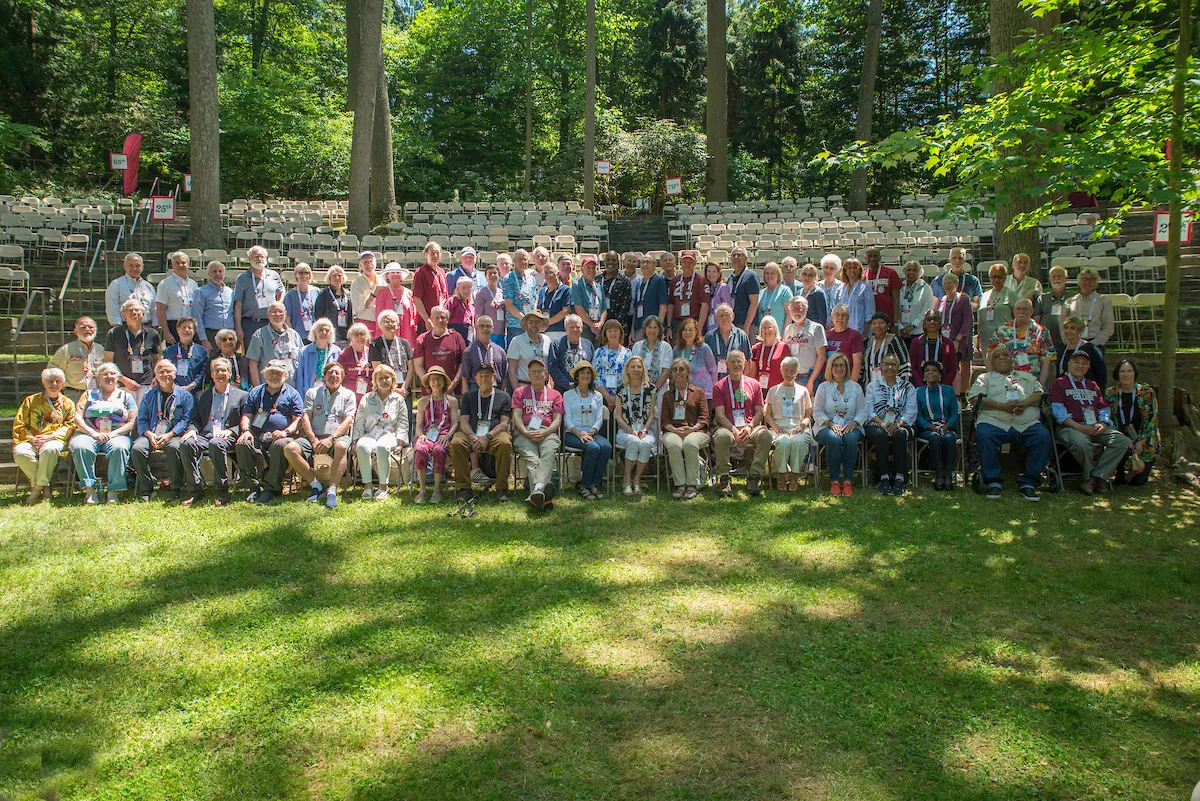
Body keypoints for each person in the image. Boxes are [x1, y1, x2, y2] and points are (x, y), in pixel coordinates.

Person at [968, 344, 1051, 502]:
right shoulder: (984, 378)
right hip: (994, 420)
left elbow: (1039, 394)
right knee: (984, 434)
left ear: (1011, 359)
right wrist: (1001, 407)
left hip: (1025, 421)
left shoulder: (1026, 376)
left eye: (1005, 355)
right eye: (997, 356)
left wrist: (1024, 403)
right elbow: (974, 399)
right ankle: (993, 480)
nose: (1002, 358)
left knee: (1043, 436)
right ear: (991, 363)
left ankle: (1029, 482)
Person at [1050, 350, 1130, 495]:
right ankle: (1091, 478)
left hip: (1095, 426)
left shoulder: (1092, 385)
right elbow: (1058, 412)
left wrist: (1103, 423)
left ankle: (1097, 477)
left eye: (1084, 363)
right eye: (1076, 362)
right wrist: (1079, 427)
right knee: (1081, 444)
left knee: (1121, 440)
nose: (1080, 366)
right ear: (1069, 363)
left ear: (1088, 367)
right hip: (1070, 426)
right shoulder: (1058, 383)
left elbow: (1103, 407)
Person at [285, 361, 356, 508]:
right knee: (290, 448)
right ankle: (316, 485)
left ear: (342, 377)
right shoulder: (312, 393)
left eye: (337, 373)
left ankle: (332, 490)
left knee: (342, 446)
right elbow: (305, 417)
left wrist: (331, 439)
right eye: (330, 373)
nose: (334, 376)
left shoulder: (348, 395)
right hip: (315, 436)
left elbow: (348, 420)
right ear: (324, 376)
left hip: (337, 437)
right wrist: (313, 440)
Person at [178, 356, 247, 506]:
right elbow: (195, 420)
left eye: (223, 370)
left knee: (216, 443)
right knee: (186, 443)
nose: (220, 373)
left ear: (229, 373)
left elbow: (245, 420)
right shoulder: (201, 395)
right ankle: (195, 490)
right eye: (217, 371)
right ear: (211, 374)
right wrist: (192, 430)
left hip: (227, 435)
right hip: (205, 434)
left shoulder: (242, 396)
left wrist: (231, 431)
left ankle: (222, 490)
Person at [236, 359, 304, 504]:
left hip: (283, 436)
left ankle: (271, 489)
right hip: (258, 435)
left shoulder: (293, 394)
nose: (274, 376)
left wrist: (285, 432)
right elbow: (247, 415)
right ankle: (253, 487)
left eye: (278, 373)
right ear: (264, 374)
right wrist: (246, 431)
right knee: (242, 443)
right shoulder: (255, 392)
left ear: (285, 375)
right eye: (271, 372)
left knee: (280, 446)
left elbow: (298, 420)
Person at [70, 362, 138, 504]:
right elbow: (77, 417)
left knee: (120, 448)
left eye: (113, 373)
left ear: (118, 377)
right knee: (80, 446)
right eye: (105, 374)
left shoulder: (126, 396)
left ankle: (114, 490)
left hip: (117, 435)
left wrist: (113, 434)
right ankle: (90, 489)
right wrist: (91, 432)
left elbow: (132, 422)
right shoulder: (88, 394)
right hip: (89, 434)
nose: (109, 377)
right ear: (98, 377)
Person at [130, 360, 195, 501]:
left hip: (174, 435)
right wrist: (149, 434)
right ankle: (146, 488)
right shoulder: (149, 395)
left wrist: (169, 435)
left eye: (168, 371)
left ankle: (175, 487)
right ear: (156, 375)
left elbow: (185, 420)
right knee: (137, 449)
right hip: (151, 434)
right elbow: (141, 419)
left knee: (174, 448)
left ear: (175, 373)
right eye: (161, 372)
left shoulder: (185, 396)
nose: (165, 374)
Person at [711, 349, 772, 497]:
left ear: (744, 363)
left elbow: (759, 412)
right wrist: (733, 430)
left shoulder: (755, 384)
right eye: (732, 361)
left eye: (739, 361)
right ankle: (724, 478)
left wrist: (750, 427)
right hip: (728, 427)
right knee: (721, 437)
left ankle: (754, 476)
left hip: (750, 427)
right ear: (726, 364)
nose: (736, 364)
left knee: (766, 436)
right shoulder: (719, 386)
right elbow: (719, 415)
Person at [450, 362, 513, 501]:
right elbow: (464, 421)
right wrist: (472, 436)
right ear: (476, 378)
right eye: (481, 376)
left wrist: (488, 436)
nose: (484, 379)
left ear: (494, 377)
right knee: (456, 443)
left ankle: (501, 488)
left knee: (504, 443)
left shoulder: (504, 397)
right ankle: (464, 488)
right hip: (472, 434)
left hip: (494, 435)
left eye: (487, 376)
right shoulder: (468, 396)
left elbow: (504, 423)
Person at [13, 367, 75, 504]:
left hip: (55, 439)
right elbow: (20, 423)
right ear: (43, 383)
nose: (54, 384)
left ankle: (36, 490)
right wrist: (31, 439)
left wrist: (51, 437)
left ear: (63, 383)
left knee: (50, 449)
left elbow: (71, 425)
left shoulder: (68, 404)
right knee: (20, 453)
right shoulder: (30, 401)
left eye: (57, 381)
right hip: (31, 439)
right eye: (50, 381)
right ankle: (44, 484)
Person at [511, 358, 564, 510]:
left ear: (546, 374)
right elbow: (516, 417)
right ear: (528, 374)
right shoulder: (520, 392)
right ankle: (542, 491)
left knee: (547, 453)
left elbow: (557, 420)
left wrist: (546, 432)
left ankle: (536, 492)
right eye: (533, 372)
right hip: (525, 431)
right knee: (532, 458)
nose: (536, 374)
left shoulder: (555, 394)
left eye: (539, 371)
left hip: (548, 432)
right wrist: (526, 433)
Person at [813, 352, 868, 496]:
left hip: (852, 426)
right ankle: (835, 481)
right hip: (826, 426)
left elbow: (863, 410)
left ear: (847, 367)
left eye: (842, 365)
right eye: (835, 366)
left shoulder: (856, 388)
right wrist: (831, 424)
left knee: (850, 438)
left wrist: (855, 423)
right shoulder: (823, 387)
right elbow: (817, 410)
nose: (839, 368)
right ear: (830, 368)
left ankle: (848, 481)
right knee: (834, 438)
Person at [352, 364, 409, 500]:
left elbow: (403, 423)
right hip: (370, 433)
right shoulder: (367, 398)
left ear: (392, 380)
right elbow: (359, 421)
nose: (384, 381)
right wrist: (356, 440)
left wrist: (401, 443)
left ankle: (383, 487)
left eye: (387, 377)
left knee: (382, 447)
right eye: (380, 378)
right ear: (375, 381)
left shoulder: (398, 399)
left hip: (389, 434)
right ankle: (368, 486)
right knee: (362, 446)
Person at [865, 353, 918, 495]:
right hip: (877, 425)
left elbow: (911, 411)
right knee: (881, 434)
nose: (890, 367)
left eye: (893, 364)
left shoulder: (908, 387)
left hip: (902, 425)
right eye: (887, 364)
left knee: (900, 434)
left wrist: (898, 424)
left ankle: (900, 478)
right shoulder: (872, 386)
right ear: (881, 366)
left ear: (898, 367)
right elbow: (869, 410)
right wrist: (882, 423)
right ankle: (883, 478)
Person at [660, 358, 710, 500]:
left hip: (697, 431)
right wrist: (675, 431)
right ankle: (680, 484)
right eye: (674, 370)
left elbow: (704, 418)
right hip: (673, 430)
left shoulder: (698, 392)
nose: (678, 372)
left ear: (688, 372)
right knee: (674, 444)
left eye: (681, 369)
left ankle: (692, 484)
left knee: (689, 443)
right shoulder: (667, 395)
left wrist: (692, 429)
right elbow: (664, 420)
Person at [1105, 359, 1160, 487]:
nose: (1126, 375)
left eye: (1129, 371)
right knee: (1120, 479)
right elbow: (1108, 418)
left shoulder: (1147, 393)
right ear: (1117, 374)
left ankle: (1133, 471)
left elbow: (1152, 419)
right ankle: (1120, 470)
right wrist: (1123, 438)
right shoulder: (1111, 393)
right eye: (1122, 371)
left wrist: (1141, 441)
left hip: (1144, 440)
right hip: (1120, 437)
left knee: (1138, 481)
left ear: (1135, 373)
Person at [563, 360, 612, 499]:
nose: (585, 375)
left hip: (591, 432)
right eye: (582, 372)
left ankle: (594, 484)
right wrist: (578, 433)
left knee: (607, 447)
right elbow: (567, 419)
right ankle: (584, 485)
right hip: (573, 433)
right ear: (577, 376)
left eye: (588, 373)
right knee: (593, 448)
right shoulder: (568, 395)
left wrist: (591, 432)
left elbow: (599, 418)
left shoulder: (597, 396)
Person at [765, 356, 814, 491]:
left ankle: (794, 476)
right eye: (786, 370)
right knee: (783, 442)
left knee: (798, 442)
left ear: (797, 372)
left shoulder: (803, 391)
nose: (789, 374)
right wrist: (775, 427)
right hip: (779, 426)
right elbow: (767, 413)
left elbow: (808, 415)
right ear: (781, 371)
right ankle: (781, 475)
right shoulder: (773, 390)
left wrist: (802, 426)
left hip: (798, 426)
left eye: (792, 371)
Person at [412, 365, 458, 503]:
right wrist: (421, 435)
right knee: (420, 448)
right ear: (428, 382)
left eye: (439, 379)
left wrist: (448, 435)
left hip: (444, 435)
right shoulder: (423, 401)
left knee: (439, 450)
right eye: (432, 379)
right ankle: (422, 489)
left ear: (444, 382)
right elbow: (419, 425)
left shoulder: (452, 401)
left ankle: (437, 490)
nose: (436, 383)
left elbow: (455, 422)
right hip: (427, 435)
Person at [614, 355, 658, 495]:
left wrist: (644, 430)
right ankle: (626, 480)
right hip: (625, 431)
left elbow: (651, 414)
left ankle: (637, 480)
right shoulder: (621, 390)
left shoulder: (650, 389)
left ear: (643, 369)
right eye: (633, 366)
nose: (636, 369)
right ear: (627, 370)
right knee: (633, 441)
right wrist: (630, 430)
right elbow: (618, 416)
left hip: (645, 431)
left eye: (639, 367)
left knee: (645, 443)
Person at [103, 298, 161, 402]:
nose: (134, 312)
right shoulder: (114, 333)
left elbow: (156, 359)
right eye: (130, 310)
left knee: (144, 417)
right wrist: (123, 380)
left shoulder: (153, 334)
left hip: (146, 385)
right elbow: (108, 362)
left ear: (143, 313)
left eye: (137, 310)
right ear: (123, 314)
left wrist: (156, 377)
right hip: (122, 385)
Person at [914, 360, 960, 490]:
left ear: (940, 375)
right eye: (927, 370)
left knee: (949, 438)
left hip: (947, 427)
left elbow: (955, 413)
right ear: (923, 376)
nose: (930, 373)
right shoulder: (918, 392)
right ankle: (939, 474)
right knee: (934, 437)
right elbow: (917, 415)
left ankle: (948, 474)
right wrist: (929, 426)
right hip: (928, 429)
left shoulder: (949, 390)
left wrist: (947, 426)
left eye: (934, 370)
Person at [988, 298, 1054, 387]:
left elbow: (1046, 362)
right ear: (1014, 311)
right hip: (1004, 380)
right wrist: (992, 379)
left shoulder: (1042, 332)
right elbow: (990, 354)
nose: (1021, 311)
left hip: (1031, 381)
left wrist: (1040, 386)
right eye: (1018, 309)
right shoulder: (1001, 330)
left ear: (1031, 311)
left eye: (1025, 309)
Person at [233, 245, 285, 350]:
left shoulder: (274, 275)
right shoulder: (242, 278)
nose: (259, 259)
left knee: (271, 354)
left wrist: (278, 304)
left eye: (261, 256)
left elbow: (282, 291)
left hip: (270, 323)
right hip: (249, 323)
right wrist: (238, 327)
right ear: (249, 259)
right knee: (251, 356)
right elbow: (238, 304)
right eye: (255, 257)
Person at [246, 301, 303, 387]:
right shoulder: (259, 335)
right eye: (274, 311)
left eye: (280, 311)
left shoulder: (294, 335)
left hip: (291, 389)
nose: (277, 314)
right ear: (268, 314)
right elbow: (253, 364)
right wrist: (258, 388)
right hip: (268, 389)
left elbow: (302, 362)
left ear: (285, 314)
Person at [413, 306, 466, 393]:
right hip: (430, 391)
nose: (440, 320)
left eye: (443, 317)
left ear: (448, 319)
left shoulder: (457, 337)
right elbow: (418, 365)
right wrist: (429, 385)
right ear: (431, 319)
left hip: (453, 390)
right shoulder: (422, 339)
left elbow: (463, 363)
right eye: (436, 318)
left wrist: (453, 384)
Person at [49, 316, 105, 395]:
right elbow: (53, 371)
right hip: (74, 393)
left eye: (90, 327)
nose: (87, 329)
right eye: (83, 327)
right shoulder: (66, 349)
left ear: (95, 330)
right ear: (75, 331)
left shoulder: (101, 349)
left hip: (97, 393)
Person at [937, 272, 973, 395]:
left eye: (950, 283)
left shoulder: (963, 299)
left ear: (956, 283)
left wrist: (957, 340)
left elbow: (967, 320)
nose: (947, 286)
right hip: (943, 339)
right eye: (945, 283)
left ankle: (959, 394)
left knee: (955, 366)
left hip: (958, 339)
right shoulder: (941, 300)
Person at [783, 296, 827, 395]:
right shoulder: (788, 329)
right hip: (791, 378)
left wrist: (811, 381)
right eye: (793, 309)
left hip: (808, 378)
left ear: (806, 309)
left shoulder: (816, 328)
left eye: (799, 308)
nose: (796, 311)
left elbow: (822, 356)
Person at [155, 250, 199, 345]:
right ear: (172, 265)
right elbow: (160, 310)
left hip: (190, 327)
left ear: (188, 264)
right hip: (173, 326)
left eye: (183, 262)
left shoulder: (193, 284)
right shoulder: (165, 284)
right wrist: (166, 332)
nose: (180, 265)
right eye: (177, 263)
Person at [908, 309, 958, 388]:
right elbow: (912, 367)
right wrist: (920, 386)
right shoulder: (916, 342)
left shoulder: (948, 343)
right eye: (929, 319)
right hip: (921, 388)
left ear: (940, 323)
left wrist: (943, 387)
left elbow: (953, 369)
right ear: (924, 323)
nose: (932, 322)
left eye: (935, 319)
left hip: (943, 388)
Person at [105, 252, 156, 327]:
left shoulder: (149, 287)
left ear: (142, 267)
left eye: (137, 265)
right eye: (131, 265)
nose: (134, 268)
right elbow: (112, 307)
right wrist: (118, 328)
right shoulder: (116, 284)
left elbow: (154, 309)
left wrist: (155, 326)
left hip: (146, 327)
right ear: (125, 266)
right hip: (125, 327)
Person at [1068, 267, 1114, 350]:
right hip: (1073, 345)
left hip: (1095, 345)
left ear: (1096, 283)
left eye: (1092, 279)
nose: (1087, 282)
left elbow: (1108, 328)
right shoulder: (1070, 302)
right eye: (1084, 278)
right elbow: (1062, 325)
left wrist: (1092, 344)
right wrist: (1069, 342)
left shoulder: (1104, 301)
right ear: (1079, 281)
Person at [192, 261, 235, 348]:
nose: (218, 274)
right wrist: (203, 339)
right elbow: (197, 317)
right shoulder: (201, 292)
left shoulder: (230, 292)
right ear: (209, 274)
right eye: (214, 271)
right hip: (211, 335)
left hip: (228, 335)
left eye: (220, 271)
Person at [502, 249, 541, 346]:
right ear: (514, 261)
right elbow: (509, 305)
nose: (523, 262)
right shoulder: (508, 279)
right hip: (516, 325)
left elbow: (534, 298)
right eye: (520, 259)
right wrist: (524, 319)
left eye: (525, 259)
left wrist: (533, 316)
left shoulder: (531, 278)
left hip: (531, 325)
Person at [705, 303, 752, 383]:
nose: (724, 318)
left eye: (727, 314)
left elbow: (748, 361)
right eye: (721, 316)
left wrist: (743, 382)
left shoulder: (741, 335)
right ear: (716, 318)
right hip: (714, 382)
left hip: (736, 381)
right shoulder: (709, 337)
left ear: (733, 316)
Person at [978, 262, 1017, 356]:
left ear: (1004, 278)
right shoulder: (984, 295)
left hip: (1004, 336)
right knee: (989, 365)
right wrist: (978, 338)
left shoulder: (1011, 294)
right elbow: (980, 318)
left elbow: (1016, 317)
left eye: (999, 277)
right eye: (993, 276)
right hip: (986, 337)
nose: (996, 280)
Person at [548, 314, 596, 391]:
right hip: (563, 390)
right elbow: (553, 368)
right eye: (571, 327)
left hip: (585, 390)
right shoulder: (556, 344)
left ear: (582, 328)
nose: (575, 330)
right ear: (565, 328)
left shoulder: (588, 344)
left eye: (578, 327)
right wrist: (568, 384)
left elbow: (593, 367)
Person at [508, 309, 554, 390]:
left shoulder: (547, 340)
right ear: (526, 324)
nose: (533, 324)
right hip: (524, 387)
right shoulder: (517, 341)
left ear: (541, 324)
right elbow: (512, 369)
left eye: (536, 322)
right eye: (531, 322)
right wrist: (516, 391)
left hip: (544, 388)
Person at [1056, 315, 1107, 389]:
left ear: (1080, 330)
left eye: (1072, 328)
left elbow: (1101, 375)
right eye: (1066, 328)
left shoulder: (1091, 349)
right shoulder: (1062, 350)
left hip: (1087, 393)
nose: (1068, 331)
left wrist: (1099, 396)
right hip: (1066, 393)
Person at [666, 250, 709, 336]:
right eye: (684, 262)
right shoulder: (675, 281)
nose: (687, 264)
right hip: (677, 321)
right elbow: (671, 305)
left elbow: (705, 305)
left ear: (695, 263)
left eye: (690, 262)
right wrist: (669, 326)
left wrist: (699, 327)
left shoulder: (701, 280)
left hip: (694, 320)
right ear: (680, 263)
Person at [374, 263, 418, 346]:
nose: (395, 274)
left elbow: (413, 316)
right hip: (388, 331)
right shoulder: (382, 292)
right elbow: (379, 316)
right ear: (387, 275)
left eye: (398, 272)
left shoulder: (409, 293)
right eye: (392, 272)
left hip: (406, 332)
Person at [461, 315, 508, 393]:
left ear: (492, 329)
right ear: (477, 328)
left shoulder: (500, 351)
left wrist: (503, 394)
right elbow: (465, 376)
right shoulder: (469, 351)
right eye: (481, 326)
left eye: (488, 326)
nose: (485, 329)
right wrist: (466, 396)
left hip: (496, 388)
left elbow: (504, 376)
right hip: (475, 389)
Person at [675, 316, 718, 399]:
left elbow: (713, 370)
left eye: (690, 330)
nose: (687, 333)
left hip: (704, 394)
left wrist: (714, 392)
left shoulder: (704, 348)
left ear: (696, 332)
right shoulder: (677, 350)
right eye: (685, 330)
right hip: (683, 394)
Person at [412, 241, 450, 335]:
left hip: (442, 320)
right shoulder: (420, 272)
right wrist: (427, 319)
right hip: (428, 321)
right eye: (432, 253)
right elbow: (417, 298)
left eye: (437, 253)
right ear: (426, 254)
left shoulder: (442, 272)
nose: (435, 256)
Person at [297, 318, 343, 393]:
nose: (324, 332)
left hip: (330, 392)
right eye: (320, 330)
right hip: (309, 392)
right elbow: (300, 378)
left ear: (331, 333)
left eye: (327, 330)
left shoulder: (336, 351)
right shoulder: (305, 351)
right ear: (315, 332)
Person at [162, 317, 208, 393]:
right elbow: (166, 370)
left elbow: (203, 372)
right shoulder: (169, 350)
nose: (187, 330)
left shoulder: (202, 351)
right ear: (177, 330)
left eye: (190, 328)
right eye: (184, 327)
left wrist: (192, 385)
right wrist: (175, 386)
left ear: (194, 331)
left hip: (194, 391)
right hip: (173, 390)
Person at [862, 312, 910, 386]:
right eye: (874, 323)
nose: (877, 326)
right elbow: (862, 367)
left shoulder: (895, 341)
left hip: (892, 388)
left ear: (888, 326)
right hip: (869, 388)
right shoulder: (867, 342)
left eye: (881, 323)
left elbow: (905, 365)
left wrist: (902, 387)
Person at [823, 303, 865, 387]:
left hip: (846, 382)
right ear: (832, 317)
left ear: (848, 318)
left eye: (844, 315)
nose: (840, 318)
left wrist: (852, 387)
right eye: (837, 315)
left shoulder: (854, 335)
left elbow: (857, 363)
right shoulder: (826, 334)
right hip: (827, 383)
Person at [571, 254, 609, 343]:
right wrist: (592, 325)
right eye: (588, 267)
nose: (591, 270)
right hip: (584, 327)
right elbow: (578, 308)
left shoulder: (599, 286)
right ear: (582, 269)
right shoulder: (577, 285)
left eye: (593, 267)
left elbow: (604, 308)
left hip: (598, 328)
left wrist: (600, 324)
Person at [1033, 265, 1072, 353]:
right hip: (1046, 341)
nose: (1056, 278)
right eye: (1053, 276)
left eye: (1059, 276)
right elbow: (1036, 321)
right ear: (1049, 279)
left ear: (1066, 278)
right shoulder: (1042, 298)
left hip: (1068, 341)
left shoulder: (1073, 297)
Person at [592, 319, 630, 405]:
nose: (613, 333)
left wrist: (619, 398)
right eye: (609, 331)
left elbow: (630, 376)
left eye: (615, 331)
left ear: (620, 332)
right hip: (602, 397)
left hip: (623, 398)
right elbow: (595, 376)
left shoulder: (628, 353)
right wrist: (608, 397)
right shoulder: (599, 352)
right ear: (605, 333)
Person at [314, 264, 353, 345]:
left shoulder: (347, 294)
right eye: (334, 276)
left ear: (343, 278)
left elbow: (350, 316)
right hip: (329, 335)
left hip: (344, 336)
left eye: (339, 275)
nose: (337, 278)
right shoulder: (324, 294)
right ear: (329, 278)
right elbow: (318, 316)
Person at [337, 323, 376, 403]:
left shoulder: (372, 352)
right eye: (356, 334)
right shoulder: (344, 354)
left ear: (368, 336)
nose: (360, 337)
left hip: (370, 398)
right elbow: (339, 376)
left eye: (362, 334)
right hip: (349, 398)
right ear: (350, 337)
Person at [726, 246, 760, 339]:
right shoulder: (730, 278)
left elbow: (754, 303)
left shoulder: (751, 276)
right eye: (734, 255)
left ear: (746, 258)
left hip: (746, 324)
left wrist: (747, 326)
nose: (736, 257)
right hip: (733, 323)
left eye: (739, 255)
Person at [863, 247, 901, 328]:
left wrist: (895, 323)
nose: (872, 259)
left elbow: (896, 299)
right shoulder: (862, 276)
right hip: (868, 322)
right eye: (870, 256)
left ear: (880, 257)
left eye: (875, 256)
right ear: (865, 258)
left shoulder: (891, 273)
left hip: (887, 320)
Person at [631, 315, 672, 389]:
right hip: (640, 390)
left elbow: (665, 373)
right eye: (649, 327)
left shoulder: (666, 347)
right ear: (645, 329)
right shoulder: (637, 346)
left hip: (660, 391)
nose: (652, 331)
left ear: (659, 329)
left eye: (655, 327)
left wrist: (653, 392)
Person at [282, 262, 320, 343]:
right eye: (301, 273)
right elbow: (287, 318)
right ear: (296, 275)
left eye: (306, 273)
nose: (304, 275)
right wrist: (291, 334)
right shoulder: (290, 295)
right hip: (298, 336)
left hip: (315, 335)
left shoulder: (316, 292)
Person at [748, 315, 788, 390]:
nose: (766, 330)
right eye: (764, 328)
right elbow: (751, 372)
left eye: (769, 327)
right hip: (758, 390)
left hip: (776, 390)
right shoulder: (756, 348)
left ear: (775, 329)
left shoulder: (783, 348)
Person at [897, 260, 933, 341]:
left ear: (920, 272)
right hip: (901, 332)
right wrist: (901, 328)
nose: (911, 272)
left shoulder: (925, 288)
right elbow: (895, 307)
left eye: (914, 270)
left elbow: (927, 310)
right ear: (904, 271)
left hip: (919, 331)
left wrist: (912, 326)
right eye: (909, 270)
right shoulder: (900, 287)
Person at [350, 251, 382, 338]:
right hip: (366, 323)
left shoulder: (383, 280)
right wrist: (373, 294)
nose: (369, 265)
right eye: (365, 262)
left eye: (371, 261)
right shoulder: (356, 283)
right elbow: (359, 307)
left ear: (375, 263)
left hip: (382, 324)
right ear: (360, 266)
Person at [601, 250, 632, 339]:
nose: (610, 262)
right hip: (599, 328)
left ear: (618, 262)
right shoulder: (597, 280)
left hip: (618, 328)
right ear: (604, 262)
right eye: (608, 259)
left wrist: (613, 327)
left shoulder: (624, 281)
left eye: (614, 260)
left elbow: (625, 306)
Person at [756, 261, 794, 335]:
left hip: (779, 336)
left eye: (772, 273)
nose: (769, 276)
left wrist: (784, 334)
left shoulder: (785, 291)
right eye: (767, 273)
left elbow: (789, 314)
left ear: (778, 275)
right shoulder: (761, 293)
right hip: (764, 336)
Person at [473, 263, 507, 344]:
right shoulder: (481, 293)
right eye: (490, 273)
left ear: (499, 275)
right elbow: (478, 315)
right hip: (487, 332)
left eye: (495, 273)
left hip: (501, 332)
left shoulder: (502, 293)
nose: (492, 275)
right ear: (486, 277)